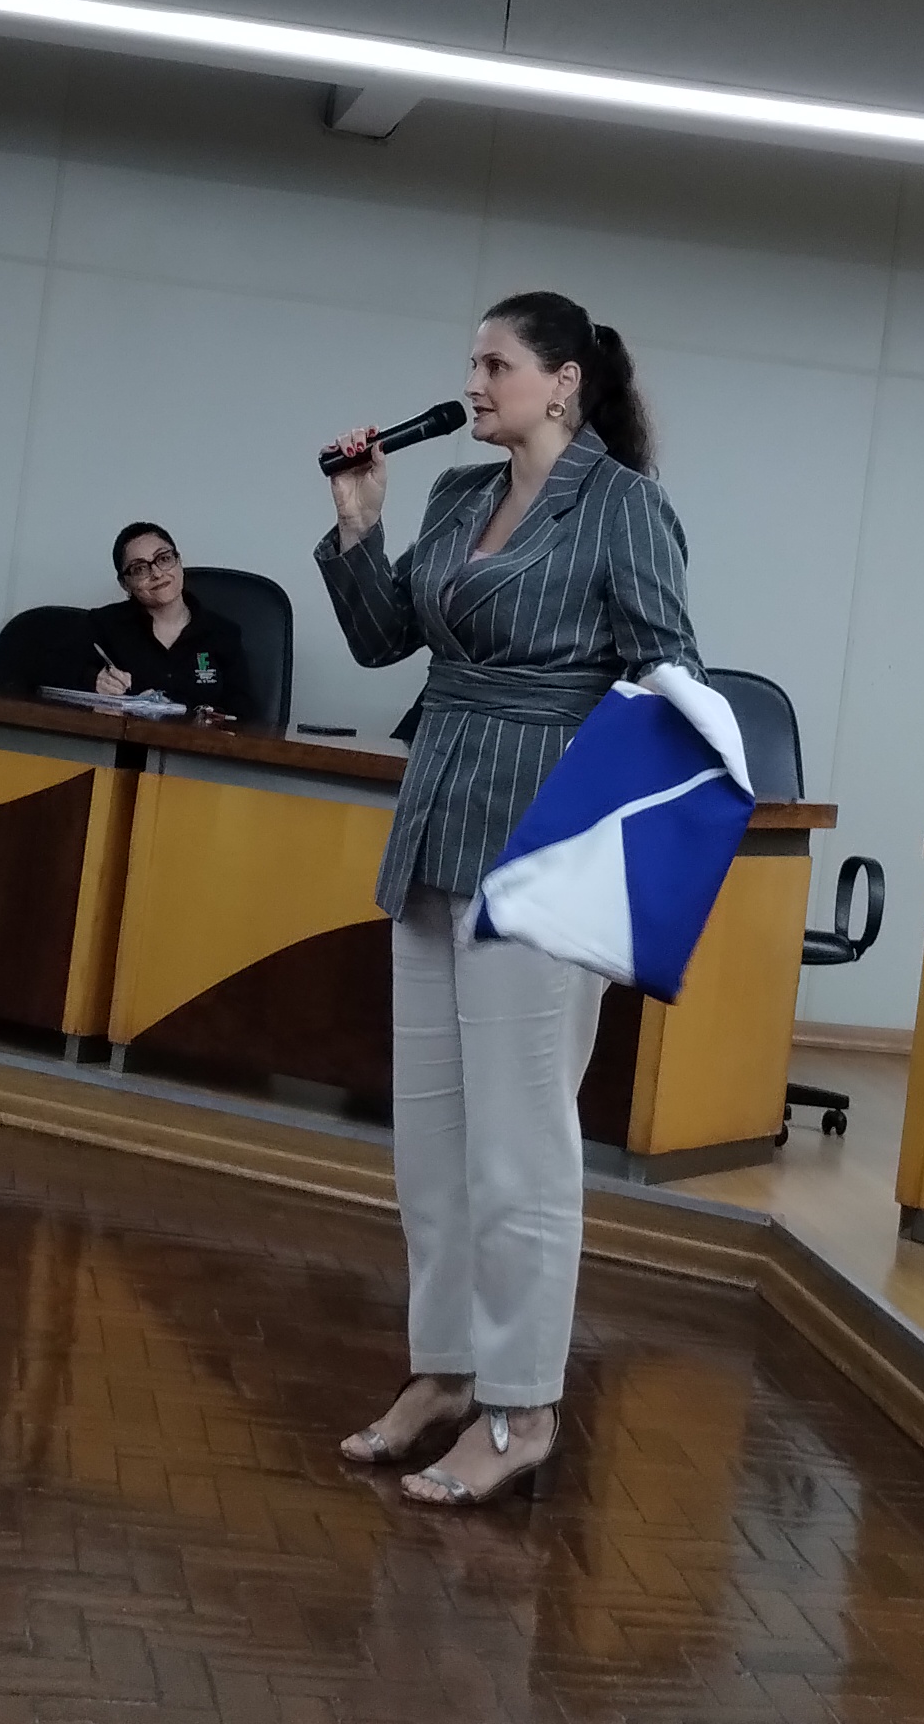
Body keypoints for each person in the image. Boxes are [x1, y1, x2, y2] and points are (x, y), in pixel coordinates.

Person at [314, 290, 695, 1509]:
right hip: (437, 827)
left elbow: (667, 675)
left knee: (522, 1150)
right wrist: (359, 523)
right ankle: (445, 1371)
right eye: (471, 363)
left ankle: (522, 1405)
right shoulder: (455, 494)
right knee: (434, 1146)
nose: (473, 383)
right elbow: (384, 640)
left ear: (563, 380)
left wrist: (604, 846)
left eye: (495, 363)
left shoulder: (624, 506)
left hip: (545, 851)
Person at [85, 522, 251, 719]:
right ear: (124, 584)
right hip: (126, 737)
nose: (156, 573)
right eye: (140, 569)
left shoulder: (224, 633)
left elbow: (244, 714)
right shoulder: (103, 624)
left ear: (179, 561)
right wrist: (94, 683)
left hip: (198, 738)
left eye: (164, 559)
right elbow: (60, 676)